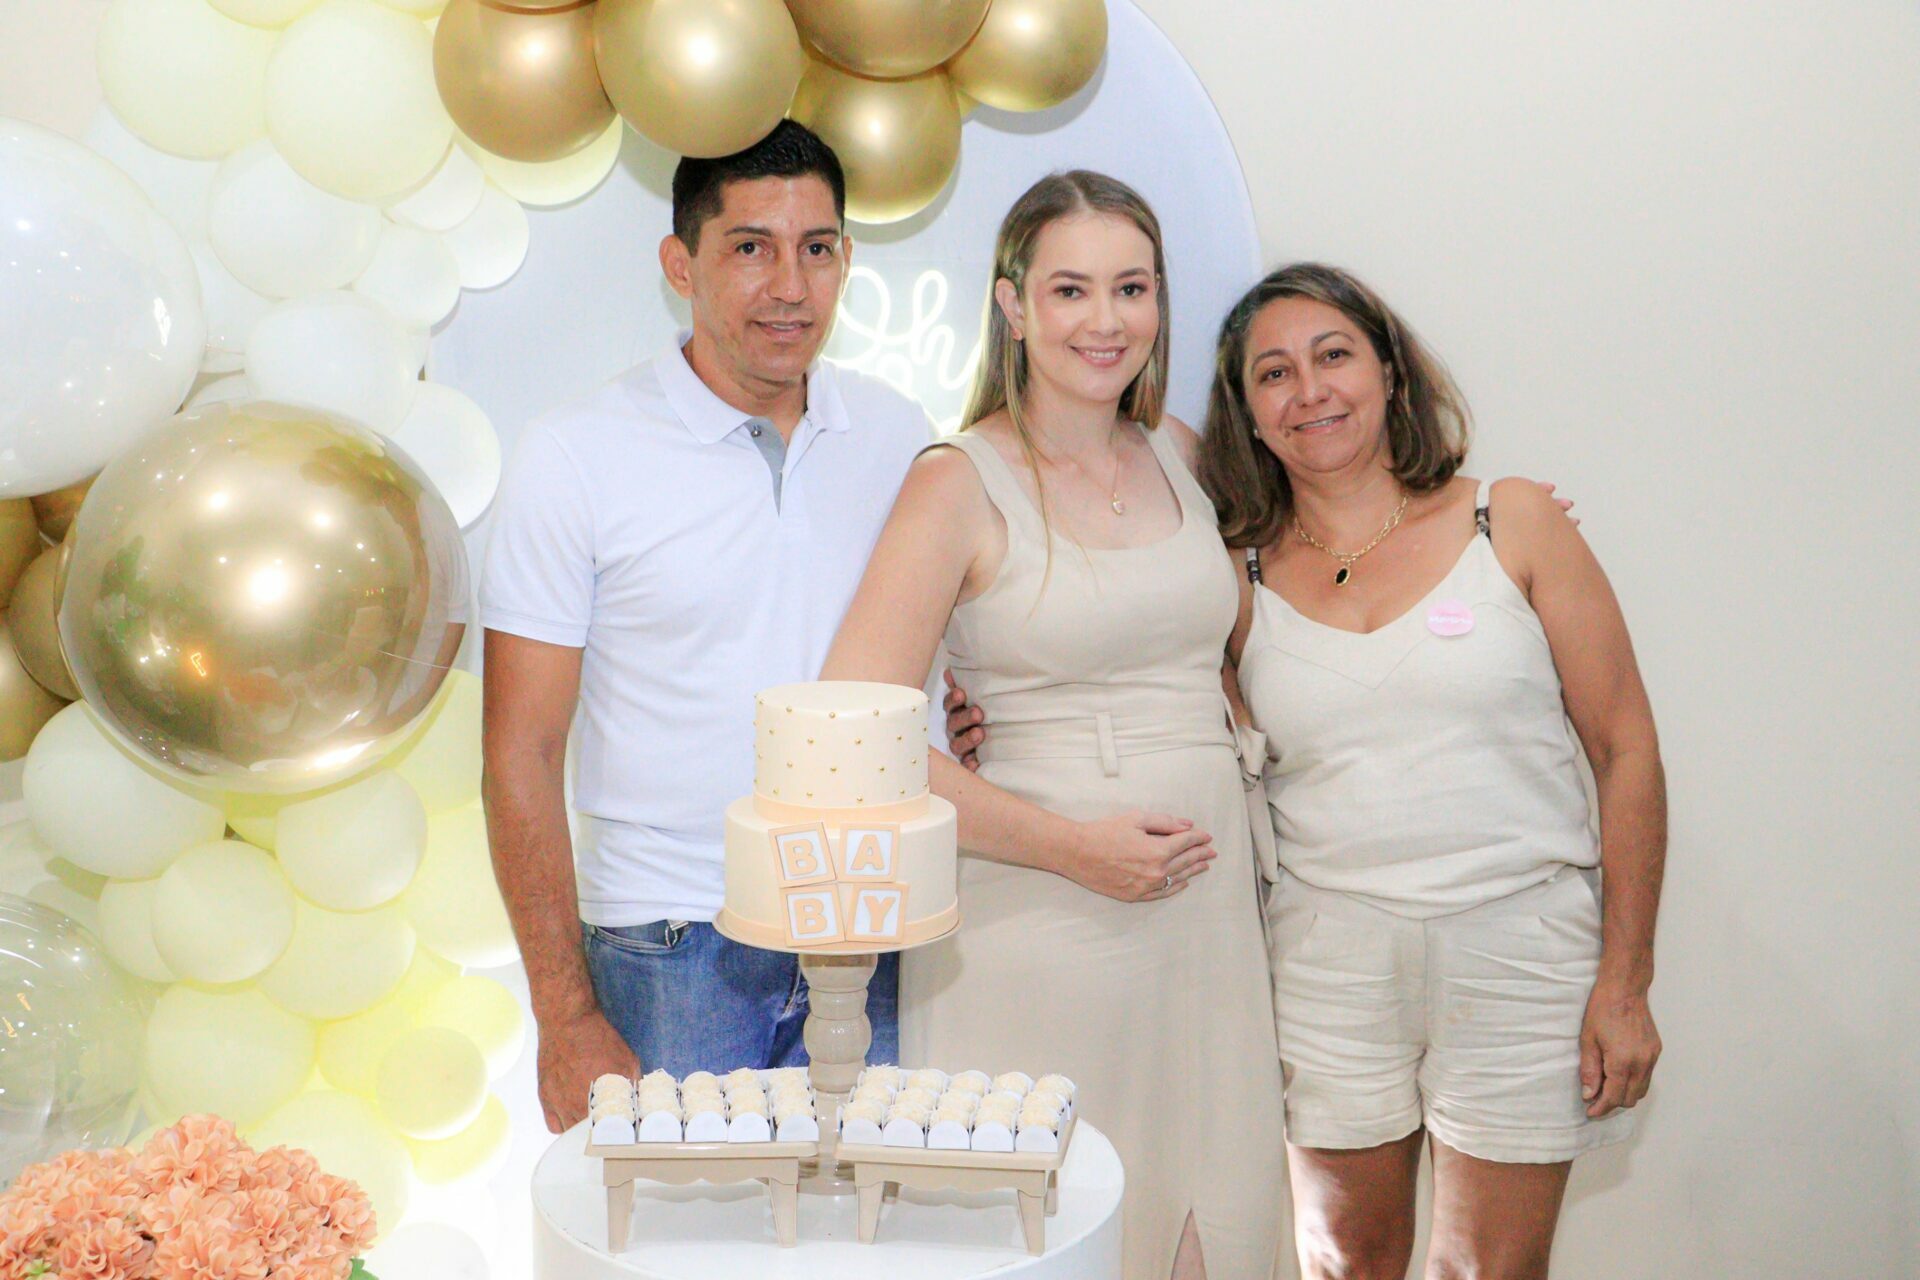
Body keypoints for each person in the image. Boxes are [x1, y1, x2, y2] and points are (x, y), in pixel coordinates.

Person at [821, 170, 1285, 1280]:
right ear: (1013, 305)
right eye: (1071, 289)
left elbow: (1256, 632)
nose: (1105, 319)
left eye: (1132, 287)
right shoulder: (956, 481)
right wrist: (1074, 847)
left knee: (1216, 1225)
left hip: (1212, 924)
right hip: (1041, 919)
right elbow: (852, 735)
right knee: (1058, 1226)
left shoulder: (1183, 453)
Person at [1196, 263, 1665, 1280]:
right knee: (1343, 1261)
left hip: (1521, 950)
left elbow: (1626, 750)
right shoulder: (1235, 578)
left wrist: (1625, 981)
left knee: (1488, 1270)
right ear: (1247, 414)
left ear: (1391, 372)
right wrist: (975, 712)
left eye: (1333, 355)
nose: (1309, 390)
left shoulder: (1513, 521)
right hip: (1327, 961)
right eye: (1273, 373)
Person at [479, 122, 933, 1133]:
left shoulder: (897, 434)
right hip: (671, 942)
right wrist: (565, 1015)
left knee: (870, 1217)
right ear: (679, 264)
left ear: (847, 260)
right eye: (751, 247)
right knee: (676, 1220)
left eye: (818, 248)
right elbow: (521, 750)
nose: (791, 286)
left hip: (868, 926)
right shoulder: (576, 455)